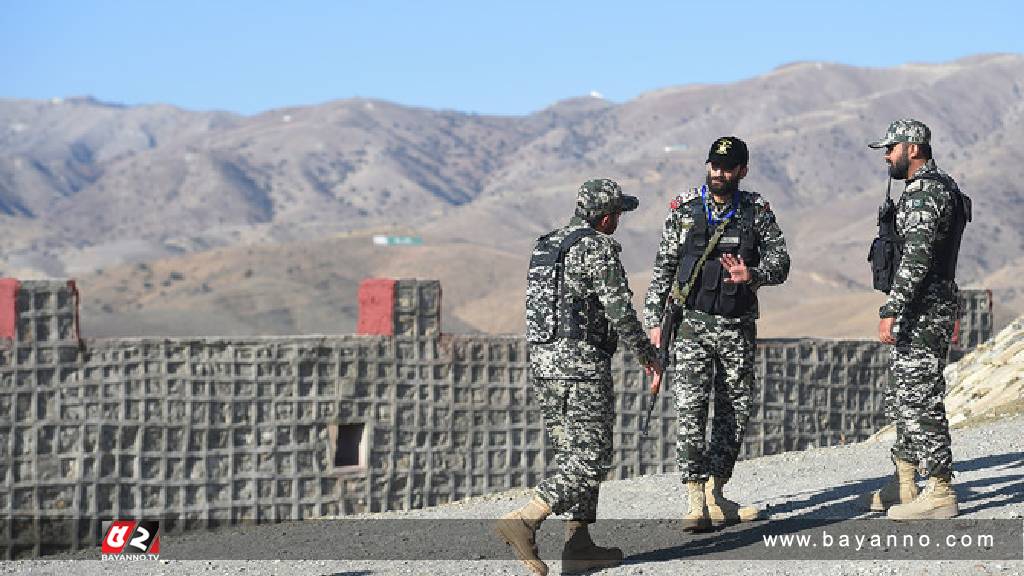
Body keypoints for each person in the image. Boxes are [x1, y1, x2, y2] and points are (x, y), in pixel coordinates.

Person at [496, 179, 662, 576]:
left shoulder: (546, 246)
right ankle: (525, 519)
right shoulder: (596, 246)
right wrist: (648, 355)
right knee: (591, 458)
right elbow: (620, 310)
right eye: (618, 214)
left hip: (545, 364)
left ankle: (579, 544)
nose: (619, 220)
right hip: (581, 367)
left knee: (573, 455)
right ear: (606, 217)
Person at [643, 136, 789, 531]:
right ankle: (694, 499)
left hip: (737, 327)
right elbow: (662, 270)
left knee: (734, 412)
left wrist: (753, 275)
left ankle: (716, 491)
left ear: (743, 170)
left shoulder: (756, 212)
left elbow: (781, 261)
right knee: (691, 411)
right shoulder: (685, 210)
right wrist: (653, 324)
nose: (718, 173)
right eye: (714, 165)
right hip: (693, 326)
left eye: (727, 167)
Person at [864, 119, 969, 519]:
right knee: (905, 393)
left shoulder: (926, 193)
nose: (887, 156)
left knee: (921, 395)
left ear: (912, 148)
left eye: (891, 148)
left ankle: (940, 488)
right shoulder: (938, 187)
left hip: (923, 307)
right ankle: (905, 481)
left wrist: (891, 308)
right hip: (924, 305)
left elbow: (918, 257)